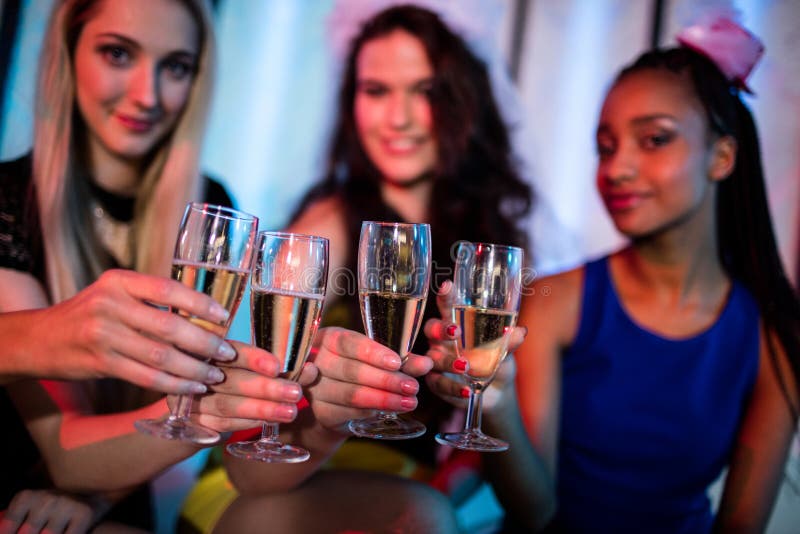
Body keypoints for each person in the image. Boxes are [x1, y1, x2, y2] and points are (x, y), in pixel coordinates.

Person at [427, 18, 800, 532]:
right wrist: (495, 400)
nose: (616, 168)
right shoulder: (556, 298)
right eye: (605, 147)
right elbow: (535, 510)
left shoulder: (770, 333)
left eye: (654, 139)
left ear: (723, 156)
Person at [177, 3, 532, 533]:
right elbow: (248, 414)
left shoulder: (485, 253)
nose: (399, 118)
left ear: (462, 99)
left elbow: (533, 507)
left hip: (400, 488)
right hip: (272, 486)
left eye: (425, 91)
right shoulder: (329, 224)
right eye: (376, 91)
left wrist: (490, 395)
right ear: (351, 103)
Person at [0, 0, 313, 531]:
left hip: (116, 501)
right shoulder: (9, 202)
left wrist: (100, 498)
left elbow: (183, 415)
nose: (148, 96)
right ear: (68, 51)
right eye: (118, 53)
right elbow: (67, 451)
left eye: (175, 67)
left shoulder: (212, 207)